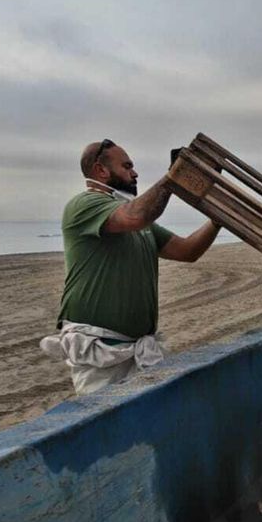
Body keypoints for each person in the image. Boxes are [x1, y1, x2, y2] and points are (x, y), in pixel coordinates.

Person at [39, 138, 220, 395]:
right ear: (101, 171)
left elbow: (187, 250)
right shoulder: (84, 205)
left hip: (139, 350)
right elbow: (137, 216)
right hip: (99, 352)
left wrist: (216, 220)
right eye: (126, 166)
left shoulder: (138, 223)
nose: (134, 173)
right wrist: (174, 178)